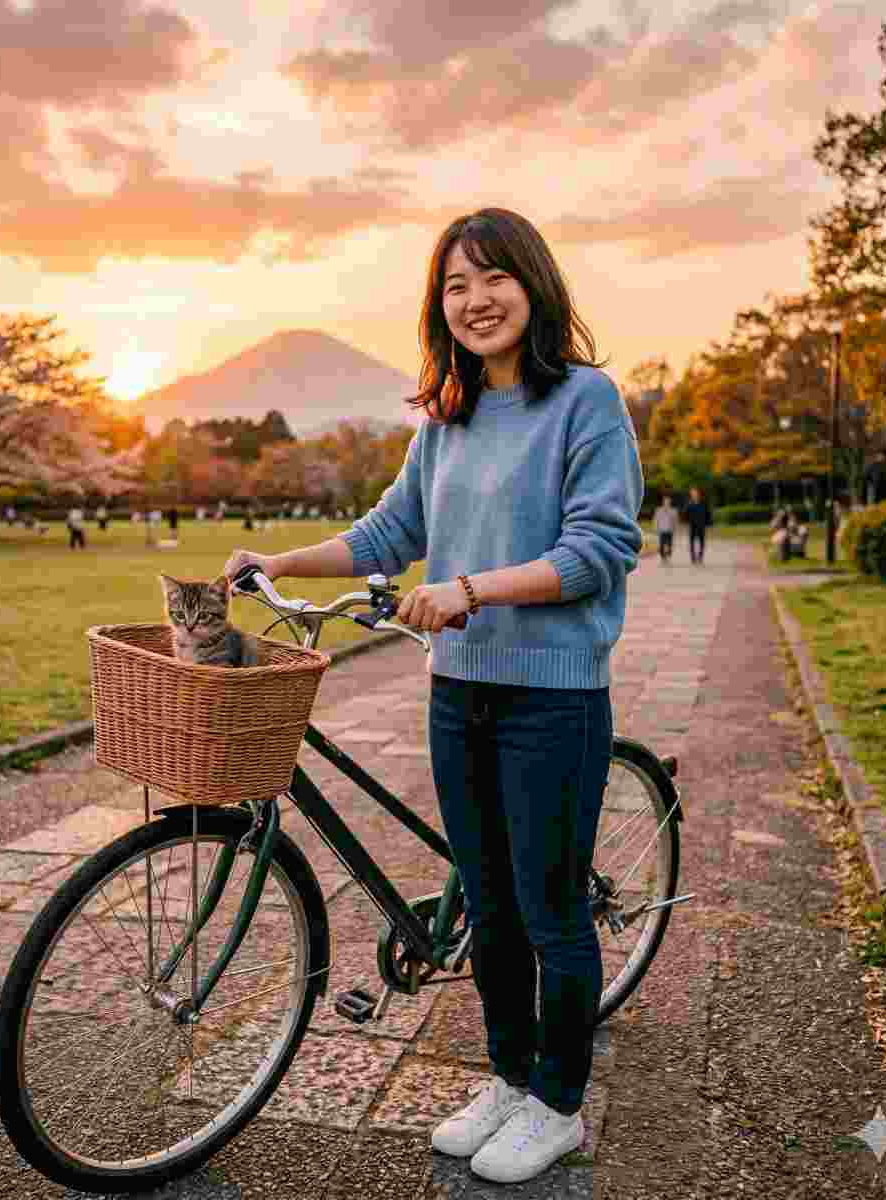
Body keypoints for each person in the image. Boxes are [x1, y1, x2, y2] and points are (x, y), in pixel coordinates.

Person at [224, 208, 643, 1185]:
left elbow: (598, 551)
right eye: (455, 285)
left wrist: (469, 589)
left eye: (493, 277)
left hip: (553, 699)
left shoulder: (587, 401)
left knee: (549, 910)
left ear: (533, 283)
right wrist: (275, 558)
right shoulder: (446, 417)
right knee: (490, 907)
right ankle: (509, 1078)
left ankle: (561, 1104)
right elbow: (384, 535)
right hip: (458, 694)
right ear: (437, 306)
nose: (475, 300)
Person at [684, 486, 711, 564]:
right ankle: (693, 558)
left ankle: (700, 557)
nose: (694, 495)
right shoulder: (689, 504)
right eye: (693, 493)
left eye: (695, 493)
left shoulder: (704, 503)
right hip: (692, 526)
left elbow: (708, 514)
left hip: (701, 526)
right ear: (691, 495)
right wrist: (686, 524)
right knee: (691, 542)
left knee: (702, 542)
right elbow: (685, 515)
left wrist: (708, 524)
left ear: (698, 494)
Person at [653, 494, 677, 564]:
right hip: (661, 530)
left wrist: (675, 528)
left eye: (668, 501)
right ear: (663, 502)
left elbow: (675, 521)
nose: (667, 503)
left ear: (670, 502)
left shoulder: (673, 511)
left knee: (669, 544)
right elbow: (655, 520)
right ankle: (663, 557)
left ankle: (668, 556)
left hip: (670, 530)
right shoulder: (658, 510)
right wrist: (655, 527)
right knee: (661, 545)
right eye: (665, 501)